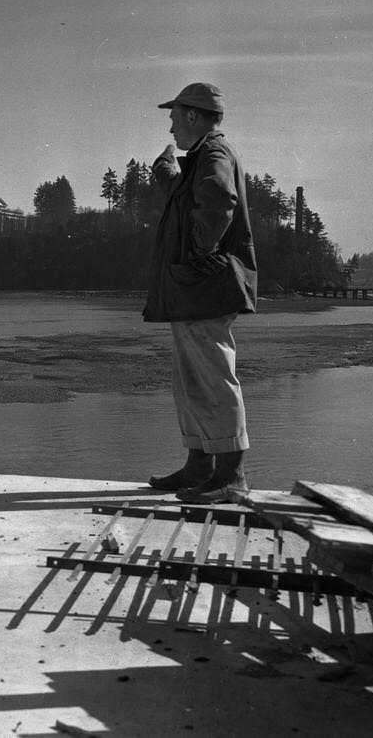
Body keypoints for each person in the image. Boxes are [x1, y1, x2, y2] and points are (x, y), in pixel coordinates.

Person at [143, 82, 258, 504]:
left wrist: (197, 254)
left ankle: (231, 476)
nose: (171, 126)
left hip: (204, 284)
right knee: (192, 377)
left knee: (213, 377)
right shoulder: (204, 156)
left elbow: (217, 203)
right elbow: (194, 200)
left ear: (192, 116)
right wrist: (168, 173)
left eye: (175, 117)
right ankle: (200, 465)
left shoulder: (214, 154)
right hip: (195, 286)